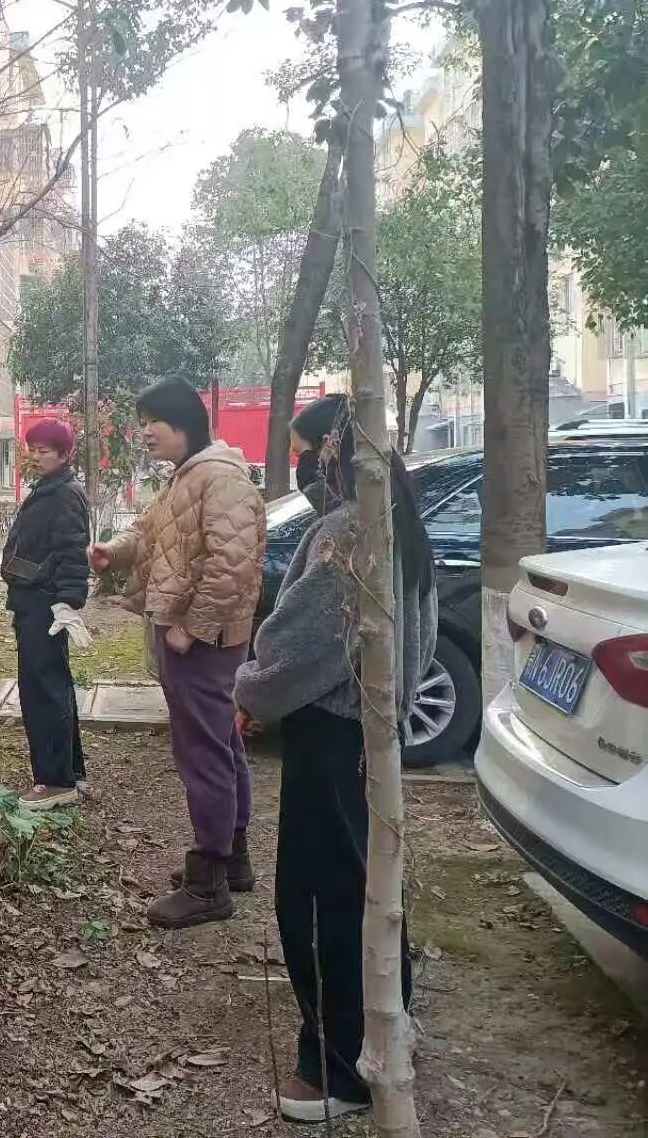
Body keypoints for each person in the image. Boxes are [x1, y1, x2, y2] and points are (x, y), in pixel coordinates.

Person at [233, 393, 431, 1123]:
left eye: (303, 448)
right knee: (368, 886)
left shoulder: (348, 531)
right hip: (372, 734)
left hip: (333, 730)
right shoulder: (398, 519)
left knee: (320, 899)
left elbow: (302, 643)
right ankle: (386, 1027)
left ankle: (340, 1068)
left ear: (331, 451)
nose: (295, 461)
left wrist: (253, 694)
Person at [90, 375, 266, 929]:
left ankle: (208, 882)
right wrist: (112, 553)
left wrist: (192, 627)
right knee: (219, 743)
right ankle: (232, 859)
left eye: (151, 422)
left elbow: (232, 565)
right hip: (190, 635)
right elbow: (151, 533)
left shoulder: (220, 477)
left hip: (201, 642)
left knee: (203, 753)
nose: (143, 433)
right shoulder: (188, 476)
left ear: (182, 422)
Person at [0, 417, 92, 810]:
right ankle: (69, 772)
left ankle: (55, 781)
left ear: (64, 454)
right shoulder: (48, 489)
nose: (36, 457)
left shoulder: (64, 494)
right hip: (33, 599)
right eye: (32, 450)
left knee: (43, 691)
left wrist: (67, 602)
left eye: (45, 451)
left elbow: (74, 552)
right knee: (52, 685)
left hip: (46, 604)